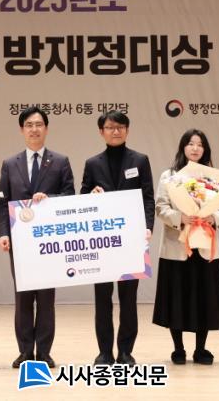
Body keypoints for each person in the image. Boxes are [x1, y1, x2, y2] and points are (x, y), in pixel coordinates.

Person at [0, 106, 75, 369]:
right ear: (22, 130)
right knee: (23, 299)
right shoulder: (10, 164)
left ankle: (44, 352)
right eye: (29, 125)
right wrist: (3, 233)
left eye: (39, 124)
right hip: (20, 242)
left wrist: (49, 198)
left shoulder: (60, 161)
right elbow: (2, 203)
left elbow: (70, 197)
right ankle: (24, 351)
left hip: (49, 242)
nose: (34, 129)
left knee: (46, 299)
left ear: (46, 128)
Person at [80, 111, 154, 366]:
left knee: (128, 300)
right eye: (110, 127)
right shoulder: (92, 163)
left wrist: (148, 227)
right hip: (101, 241)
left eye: (120, 127)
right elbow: (82, 197)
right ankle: (104, 352)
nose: (115, 131)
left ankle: (125, 351)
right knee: (102, 299)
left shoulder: (140, 160)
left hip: (132, 239)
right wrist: (91, 194)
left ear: (127, 130)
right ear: (101, 132)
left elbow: (148, 197)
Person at [152, 129, 219, 365]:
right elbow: (160, 207)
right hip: (177, 246)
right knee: (176, 298)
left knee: (204, 298)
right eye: (190, 143)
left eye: (200, 144)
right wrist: (180, 218)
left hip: (204, 246)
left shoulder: (213, 177)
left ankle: (201, 349)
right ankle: (178, 349)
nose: (195, 148)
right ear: (183, 147)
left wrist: (212, 217)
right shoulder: (169, 176)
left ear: (205, 149)